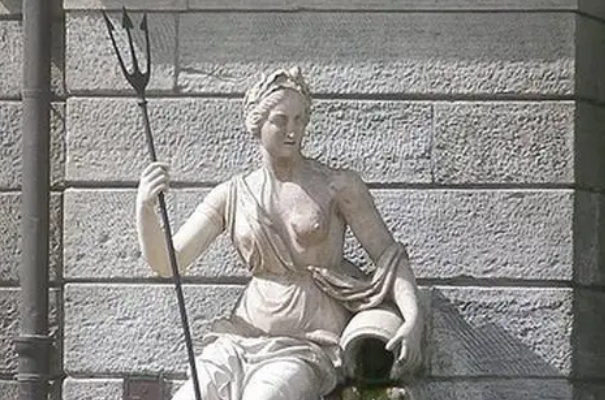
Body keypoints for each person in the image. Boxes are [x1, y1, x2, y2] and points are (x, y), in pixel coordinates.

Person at [136, 67, 423, 400]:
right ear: (257, 123)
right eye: (281, 120)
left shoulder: (337, 185)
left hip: (306, 344)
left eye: (300, 120)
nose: (293, 131)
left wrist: (413, 319)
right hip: (241, 337)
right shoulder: (232, 194)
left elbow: (389, 256)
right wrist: (145, 209)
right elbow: (168, 263)